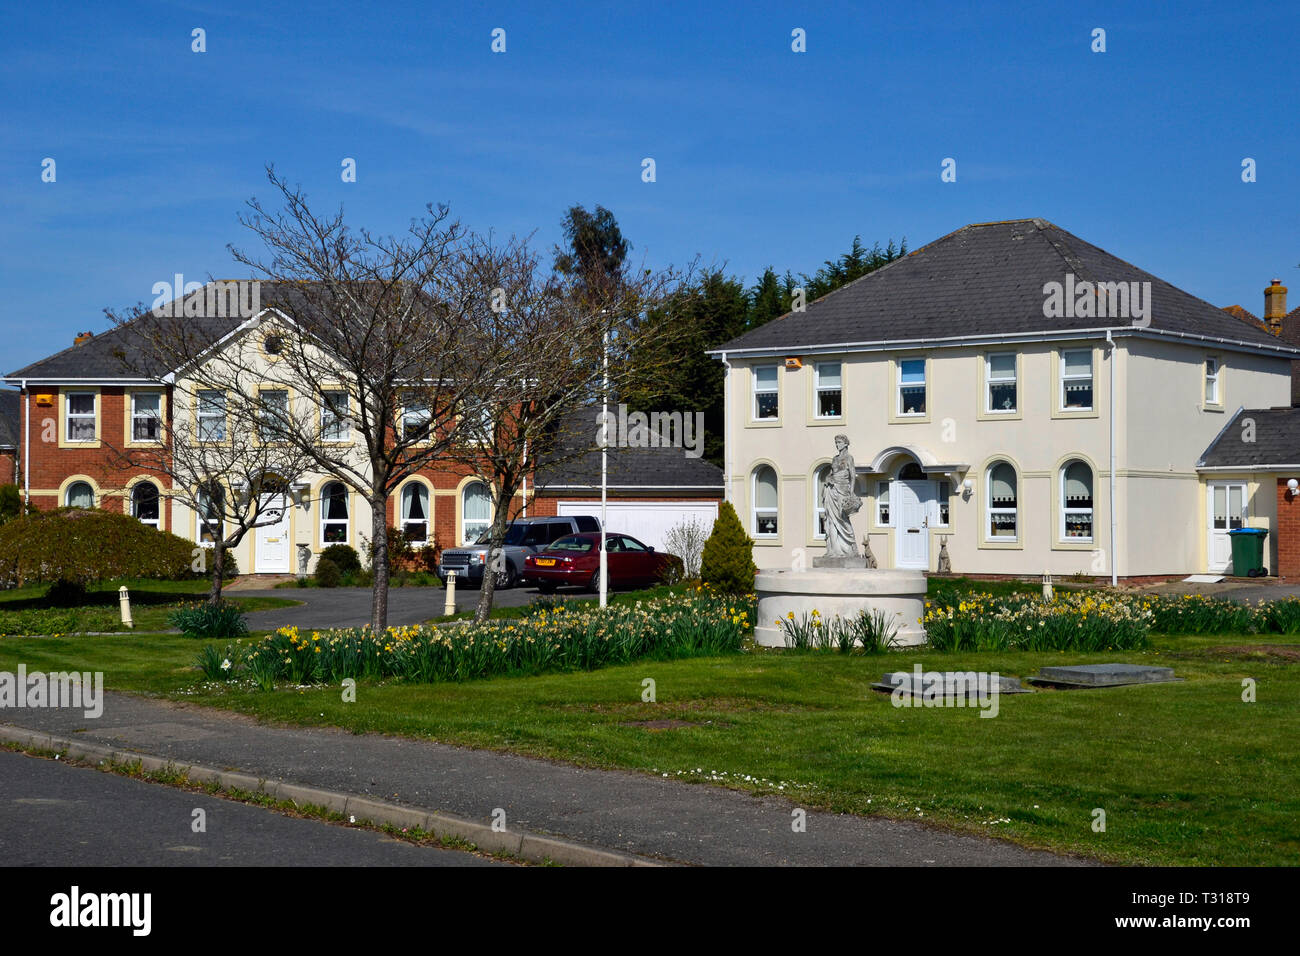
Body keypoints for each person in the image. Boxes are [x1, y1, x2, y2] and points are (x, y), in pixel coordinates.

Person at [822, 434, 862, 557]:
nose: (837, 444)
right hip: (831, 489)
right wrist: (828, 478)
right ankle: (833, 550)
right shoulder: (834, 459)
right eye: (836, 442)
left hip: (843, 489)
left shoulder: (849, 458)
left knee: (841, 517)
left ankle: (850, 547)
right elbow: (831, 473)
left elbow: (852, 475)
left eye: (839, 442)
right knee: (831, 520)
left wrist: (851, 492)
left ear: (845, 444)